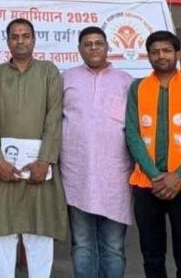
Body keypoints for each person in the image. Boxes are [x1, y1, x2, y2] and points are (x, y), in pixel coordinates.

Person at [0, 19, 67, 278]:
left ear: (34, 39)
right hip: (3, 169)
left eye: (25, 36)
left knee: (39, 233)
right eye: (15, 36)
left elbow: (54, 117)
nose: (20, 41)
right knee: (2, 234)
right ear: (7, 41)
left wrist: (45, 160)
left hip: (39, 168)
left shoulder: (48, 72)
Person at [125, 31, 181, 278]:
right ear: (148, 56)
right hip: (147, 184)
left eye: (166, 51)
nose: (161, 56)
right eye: (155, 52)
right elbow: (132, 134)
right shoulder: (138, 87)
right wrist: (155, 175)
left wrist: (179, 175)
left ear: (178, 54)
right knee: (152, 255)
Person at [61, 26, 134, 278]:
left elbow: (134, 129)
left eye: (98, 43)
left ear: (107, 47)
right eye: (87, 44)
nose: (93, 48)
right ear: (79, 49)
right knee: (82, 244)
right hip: (77, 174)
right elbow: (54, 121)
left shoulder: (125, 81)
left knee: (113, 246)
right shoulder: (66, 78)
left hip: (115, 176)